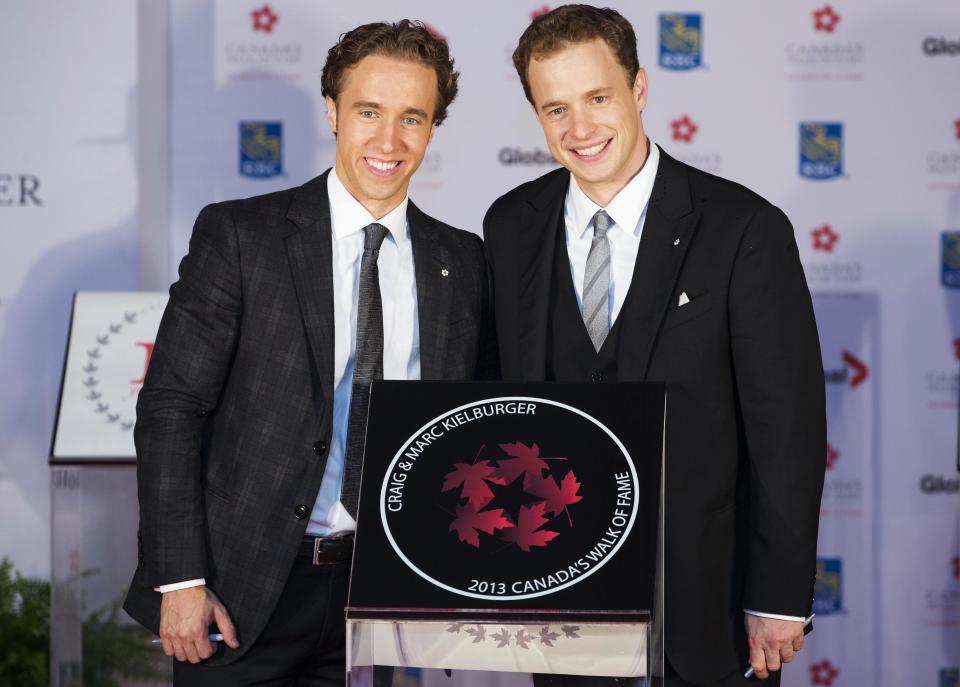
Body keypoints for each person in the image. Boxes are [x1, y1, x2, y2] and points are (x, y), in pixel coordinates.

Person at [124, 20, 495, 686]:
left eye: (412, 117)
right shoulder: (242, 236)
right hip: (242, 593)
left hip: (390, 595)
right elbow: (172, 408)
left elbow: (474, 424)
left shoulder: (461, 259)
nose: (389, 140)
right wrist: (180, 575)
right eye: (369, 112)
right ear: (332, 111)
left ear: (434, 125)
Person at [483, 6, 826, 685]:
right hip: (560, 599)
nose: (579, 129)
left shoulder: (743, 229)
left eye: (598, 98)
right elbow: (501, 405)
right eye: (555, 109)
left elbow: (786, 430)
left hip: (709, 611)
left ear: (639, 89)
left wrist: (779, 596)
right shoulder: (510, 224)